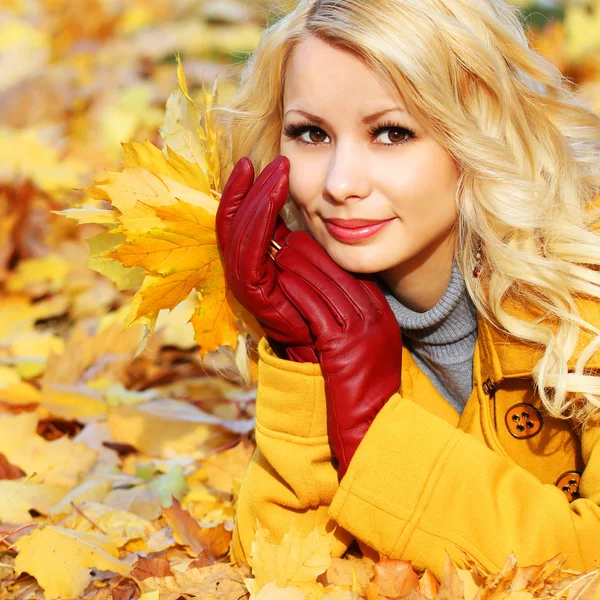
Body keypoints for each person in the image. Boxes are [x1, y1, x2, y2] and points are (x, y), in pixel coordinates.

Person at [214, 0, 600, 579]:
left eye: (391, 133)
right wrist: (304, 362)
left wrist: (372, 427)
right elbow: (278, 575)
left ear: (475, 133)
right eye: (311, 133)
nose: (341, 183)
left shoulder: (582, 288)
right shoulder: (326, 309)